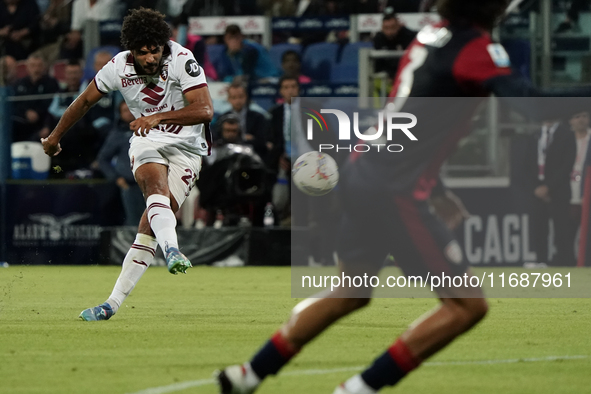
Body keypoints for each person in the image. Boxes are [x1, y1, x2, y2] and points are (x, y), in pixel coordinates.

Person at [216, 1, 591, 393]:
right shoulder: (476, 51)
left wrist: (439, 189)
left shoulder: (429, 35)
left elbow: (415, 119)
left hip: (364, 173)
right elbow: (534, 107)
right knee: (467, 305)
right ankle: (360, 388)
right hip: (393, 189)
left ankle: (249, 373)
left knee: (350, 290)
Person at [41, 7, 213, 321]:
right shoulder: (118, 67)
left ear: (164, 45)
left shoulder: (182, 59)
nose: (150, 58)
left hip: (188, 148)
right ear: (131, 49)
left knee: (149, 226)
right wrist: (54, 137)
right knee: (153, 185)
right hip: (147, 137)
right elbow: (83, 102)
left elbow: (204, 110)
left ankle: (117, 298)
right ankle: (167, 254)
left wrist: (158, 116)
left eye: (155, 51)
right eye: (142, 52)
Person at [529, 118, 577, 266]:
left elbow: (567, 165)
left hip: (559, 190)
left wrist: (549, 187)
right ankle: (541, 262)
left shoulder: (567, 135)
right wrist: (536, 187)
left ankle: (565, 264)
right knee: (539, 230)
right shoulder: (534, 136)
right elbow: (527, 164)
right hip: (537, 191)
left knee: (562, 231)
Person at [98, 101, 145, 226]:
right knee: (134, 222)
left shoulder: (150, 130)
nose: (129, 113)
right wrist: (116, 178)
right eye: (125, 110)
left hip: (152, 183)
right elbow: (103, 159)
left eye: (131, 109)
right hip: (130, 184)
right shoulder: (117, 134)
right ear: (120, 114)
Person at [12, 53, 59, 142]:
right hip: (23, 120)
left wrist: (37, 112)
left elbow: (52, 103)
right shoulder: (19, 83)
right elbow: (15, 103)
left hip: (44, 120)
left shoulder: (51, 83)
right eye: (33, 66)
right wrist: (26, 112)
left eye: (39, 66)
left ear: (44, 67)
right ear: (27, 67)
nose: (36, 69)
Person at [213, 24, 280, 83]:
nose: (233, 42)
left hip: (268, 78)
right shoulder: (224, 52)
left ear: (241, 37)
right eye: (230, 38)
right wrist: (231, 79)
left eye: (236, 38)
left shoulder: (251, 49)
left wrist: (235, 78)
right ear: (225, 39)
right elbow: (222, 73)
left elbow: (247, 74)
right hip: (251, 80)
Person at [220, 81, 269, 159]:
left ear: (246, 97)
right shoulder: (222, 118)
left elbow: (262, 142)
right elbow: (219, 141)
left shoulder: (258, 118)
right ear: (228, 99)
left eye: (240, 96)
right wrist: (246, 137)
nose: (238, 101)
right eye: (234, 97)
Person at [373, 7, 417, 78]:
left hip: (405, 73)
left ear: (398, 26)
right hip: (385, 76)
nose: (389, 32)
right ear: (382, 28)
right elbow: (378, 64)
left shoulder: (409, 36)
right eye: (386, 28)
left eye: (392, 27)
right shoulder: (378, 39)